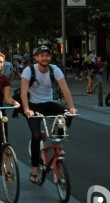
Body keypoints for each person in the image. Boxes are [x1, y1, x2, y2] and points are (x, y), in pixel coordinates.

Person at [20, 45, 78, 185]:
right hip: (33, 105)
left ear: (50, 58)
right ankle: (34, 171)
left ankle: (58, 140)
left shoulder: (54, 69)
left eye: (47, 55)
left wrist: (71, 107)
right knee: (35, 136)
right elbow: (23, 92)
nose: (45, 58)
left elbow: (65, 89)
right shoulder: (29, 70)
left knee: (66, 115)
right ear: (36, 58)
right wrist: (27, 109)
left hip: (48, 103)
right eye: (42, 55)